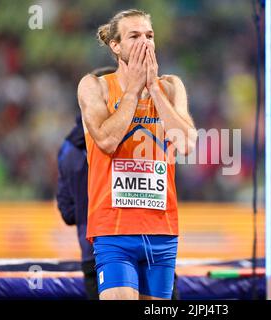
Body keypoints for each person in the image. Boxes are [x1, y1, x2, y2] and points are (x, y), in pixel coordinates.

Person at [77, 8, 197, 300]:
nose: (145, 42)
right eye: (134, 36)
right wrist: (132, 91)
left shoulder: (170, 86)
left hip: (162, 229)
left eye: (149, 35)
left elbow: (185, 144)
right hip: (114, 229)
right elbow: (106, 140)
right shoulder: (95, 87)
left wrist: (153, 87)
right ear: (115, 46)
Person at [56, 66, 116, 300]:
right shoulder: (132, 137)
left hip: (92, 251)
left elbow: (68, 212)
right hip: (140, 246)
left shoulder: (68, 149)